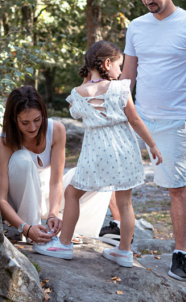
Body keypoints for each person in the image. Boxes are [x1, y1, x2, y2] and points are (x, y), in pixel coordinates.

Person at [121, 0, 186, 281]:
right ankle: (123, 243)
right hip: (139, 119)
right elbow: (127, 77)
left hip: (175, 122)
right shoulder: (136, 27)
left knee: (176, 188)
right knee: (118, 179)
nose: (148, 1)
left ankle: (180, 253)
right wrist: (115, 112)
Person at [32, 41, 162, 267]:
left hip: (97, 151)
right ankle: (124, 252)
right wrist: (152, 145)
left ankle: (63, 244)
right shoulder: (121, 88)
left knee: (73, 194)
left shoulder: (79, 93)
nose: (121, 71)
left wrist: (88, 77)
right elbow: (134, 119)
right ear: (107, 63)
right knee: (125, 203)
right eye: (118, 65)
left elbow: (76, 113)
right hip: (124, 148)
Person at [0, 86, 111, 245]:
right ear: (14, 119)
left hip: (49, 199)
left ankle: (71, 231)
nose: (33, 127)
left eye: (37, 120)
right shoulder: (4, 143)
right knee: (22, 160)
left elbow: (56, 180)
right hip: (23, 205)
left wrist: (53, 215)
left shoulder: (56, 129)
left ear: (43, 114)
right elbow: (0, 199)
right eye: (25, 123)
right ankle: (35, 232)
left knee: (97, 172)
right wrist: (25, 228)